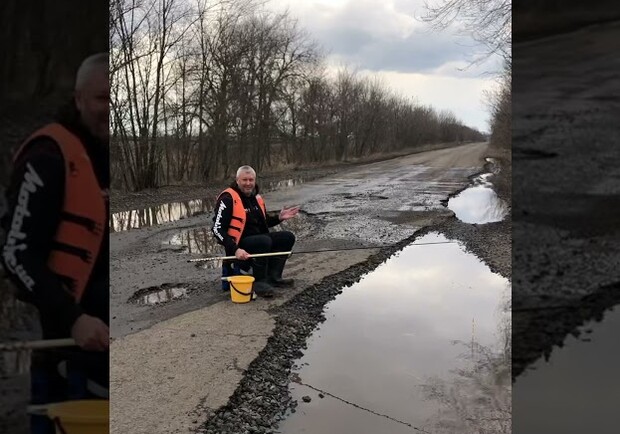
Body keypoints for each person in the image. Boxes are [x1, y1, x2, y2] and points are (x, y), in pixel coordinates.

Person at [0, 53, 109, 433]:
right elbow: (15, 254)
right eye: (103, 98)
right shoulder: (46, 157)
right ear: (79, 99)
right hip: (66, 347)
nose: (111, 110)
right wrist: (73, 318)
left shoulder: (113, 155)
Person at [212, 165, 300, 298]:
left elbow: (263, 223)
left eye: (251, 180)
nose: (248, 183)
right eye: (244, 180)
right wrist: (235, 249)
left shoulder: (255, 198)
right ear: (237, 180)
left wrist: (279, 218)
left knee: (287, 237)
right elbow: (217, 229)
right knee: (263, 240)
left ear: (255, 180)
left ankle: (273, 277)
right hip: (239, 245)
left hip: (259, 241)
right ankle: (259, 282)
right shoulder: (227, 199)